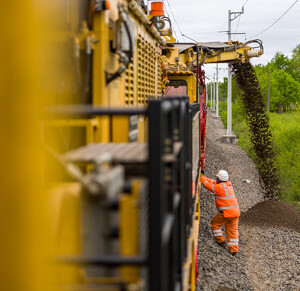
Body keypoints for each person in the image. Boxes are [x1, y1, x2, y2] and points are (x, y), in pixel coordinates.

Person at [200, 170, 240, 256]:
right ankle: (234, 250)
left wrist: (201, 178)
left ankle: (221, 241)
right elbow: (213, 181)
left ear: (219, 178)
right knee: (232, 231)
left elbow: (208, 185)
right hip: (236, 212)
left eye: (217, 177)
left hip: (226, 213)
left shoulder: (219, 188)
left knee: (215, 224)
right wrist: (204, 177)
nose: (216, 178)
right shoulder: (228, 184)